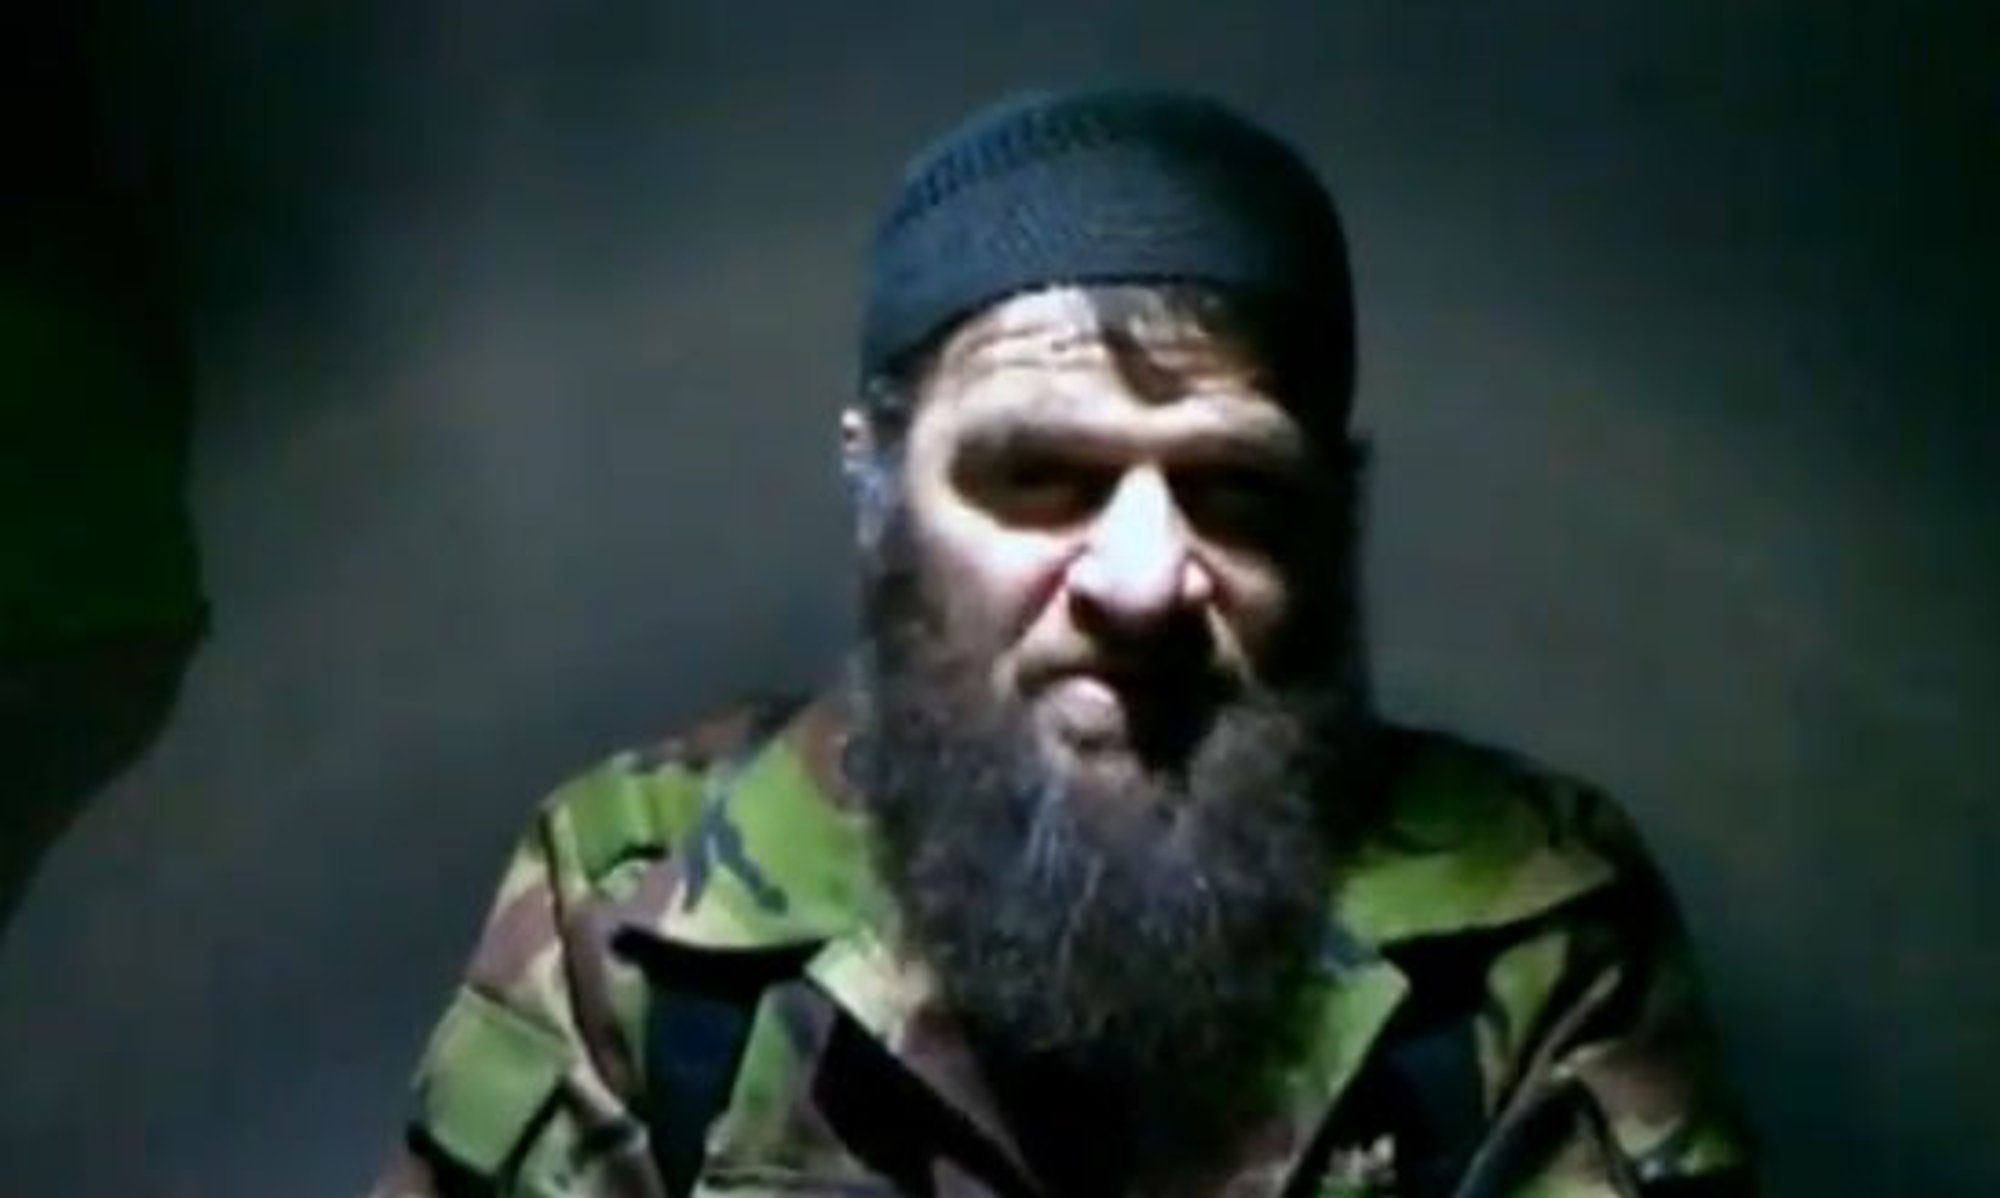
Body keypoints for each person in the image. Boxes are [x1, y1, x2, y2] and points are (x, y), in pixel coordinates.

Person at [365, 86, 1755, 1198]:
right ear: (878, 489)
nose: (1143, 582)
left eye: (1235, 488)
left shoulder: (1533, 930)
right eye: (1037, 475)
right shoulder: (632, 909)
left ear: (1328, 522)